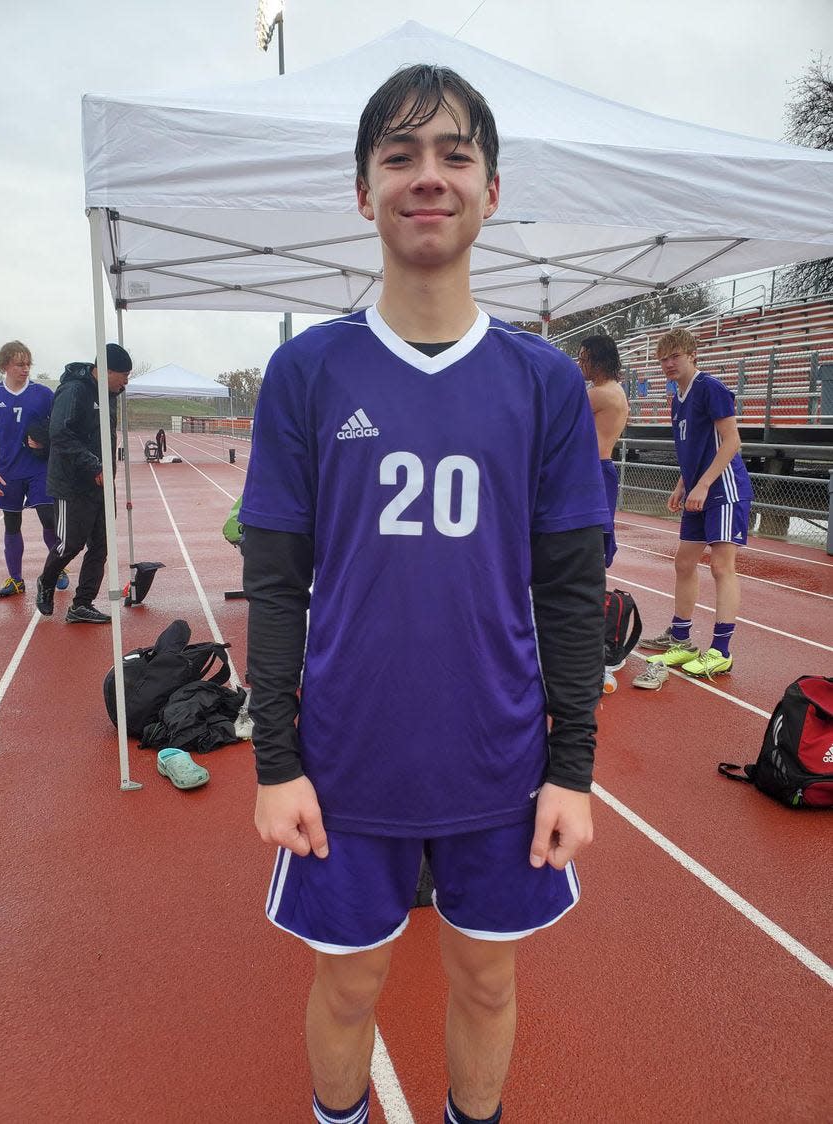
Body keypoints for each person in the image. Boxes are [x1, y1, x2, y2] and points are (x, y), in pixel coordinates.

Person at [241, 65, 607, 1124]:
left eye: (454, 155)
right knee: (348, 981)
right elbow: (274, 581)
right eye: (400, 157)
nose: (428, 177)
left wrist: (572, 767)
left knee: (488, 977)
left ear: (492, 189)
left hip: (502, 760)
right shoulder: (309, 372)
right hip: (349, 759)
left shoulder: (542, 382)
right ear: (365, 192)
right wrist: (276, 759)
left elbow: (571, 592)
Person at [640, 327, 752, 677]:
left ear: (692, 355)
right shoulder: (677, 399)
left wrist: (702, 484)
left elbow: (732, 442)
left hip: (724, 489)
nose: (668, 364)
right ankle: (681, 637)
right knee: (684, 562)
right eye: (663, 359)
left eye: (674, 356)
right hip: (697, 489)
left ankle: (721, 650)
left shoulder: (711, 388)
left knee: (721, 567)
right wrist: (682, 484)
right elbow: (693, 449)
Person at [35, 343, 132, 623]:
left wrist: (106, 471)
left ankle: (82, 604)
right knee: (71, 544)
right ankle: (47, 579)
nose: (126, 381)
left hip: (101, 483)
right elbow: (60, 433)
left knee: (102, 545)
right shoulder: (74, 390)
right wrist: (93, 465)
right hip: (72, 484)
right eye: (123, 375)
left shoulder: (111, 393)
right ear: (105, 370)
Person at [0, 340, 69, 599]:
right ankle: (16, 580)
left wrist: (44, 440)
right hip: (7, 470)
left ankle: (56, 567)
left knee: (48, 517)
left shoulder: (43, 394)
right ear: (5, 366)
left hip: (38, 468)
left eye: (28, 364)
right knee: (12, 525)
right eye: (19, 364)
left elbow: (58, 427)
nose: (25, 369)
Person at [577, 335, 629, 568]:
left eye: (584, 359)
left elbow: (556, 413)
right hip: (597, 468)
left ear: (597, 361)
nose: (580, 365)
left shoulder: (600, 394)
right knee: (593, 540)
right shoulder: (612, 389)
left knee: (587, 539)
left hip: (593, 470)